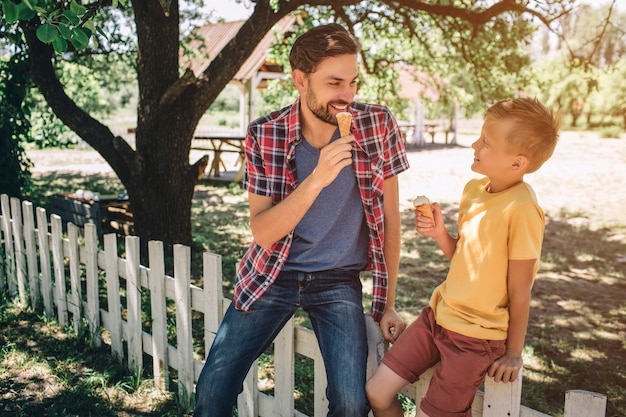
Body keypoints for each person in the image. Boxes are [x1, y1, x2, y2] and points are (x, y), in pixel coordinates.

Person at [194, 23, 410, 417]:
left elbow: (390, 223)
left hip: (338, 278)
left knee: (350, 404)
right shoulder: (266, 134)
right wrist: (317, 180)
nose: (347, 95)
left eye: (353, 83)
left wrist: (389, 303)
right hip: (273, 273)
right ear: (300, 80)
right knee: (213, 388)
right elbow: (262, 231)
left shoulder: (378, 126)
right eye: (334, 83)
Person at [365, 97, 561, 417]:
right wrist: (441, 235)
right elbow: (466, 257)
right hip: (437, 318)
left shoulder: (523, 210)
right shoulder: (473, 190)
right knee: (376, 392)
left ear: (517, 163)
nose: (474, 144)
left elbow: (520, 290)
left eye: (486, 142)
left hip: (476, 339)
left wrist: (513, 352)